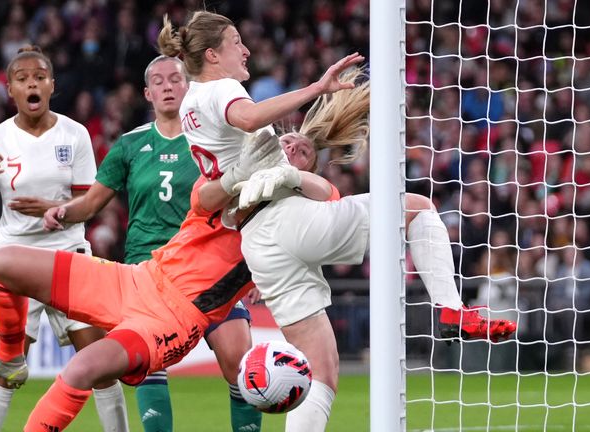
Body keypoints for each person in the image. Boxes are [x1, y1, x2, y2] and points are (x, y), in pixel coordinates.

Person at [157, 12, 517, 431]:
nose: (246, 49)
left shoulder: (189, 110)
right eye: (237, 41)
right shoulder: (221, 88)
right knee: (417, 207)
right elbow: (249, 118)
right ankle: (452, 310)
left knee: (319, 372)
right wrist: (317, 88)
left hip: (259, 243)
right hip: (286, 217)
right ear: (213, 54)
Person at [0, 127, 329, 431]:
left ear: (306, 171)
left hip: (174, 319)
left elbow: (330, 197)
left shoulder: (292, 219)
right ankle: (10, 356)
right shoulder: (222, 182)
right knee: (0, 263)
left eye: (302, 152)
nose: (291, 147)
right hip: (137, 279)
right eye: (287, 141)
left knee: (82, 369)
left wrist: (291, 177)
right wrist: (241, 176)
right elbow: (205, 200)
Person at [42, 55, 262, 432]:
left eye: (175, 79)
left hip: (209, 269)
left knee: (239, 362)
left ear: (189, 87)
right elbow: (93, 202)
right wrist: (63, 212)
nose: (167, 86)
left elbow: (247, 204)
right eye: (157, 81)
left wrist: (254, 270)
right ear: (147, 93)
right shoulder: (130, 145)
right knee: (150, 365)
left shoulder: (215, 141)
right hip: (149, 271)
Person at [0, 46, 129, 432]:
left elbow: (91, 201)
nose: (31, 82)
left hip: (68, 256)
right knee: (6, 368)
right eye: (22, 78)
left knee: (101, 363)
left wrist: (53, 207)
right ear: (10, 90)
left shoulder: (76, 134)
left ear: (52, 85)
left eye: (39, 76)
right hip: (15, 263)